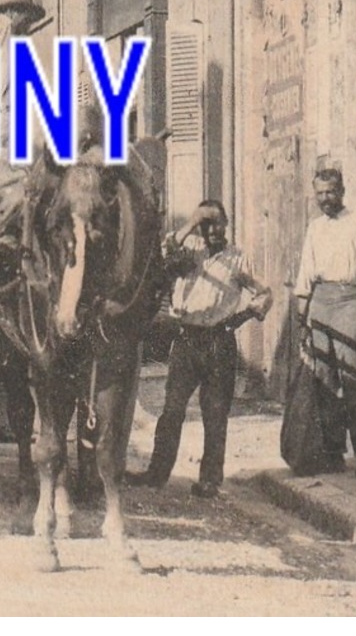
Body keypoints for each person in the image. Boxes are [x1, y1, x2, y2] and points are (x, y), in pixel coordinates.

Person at [136, 200, 272, 498]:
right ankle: (157, 474)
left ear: (227, 224)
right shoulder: (188, 250)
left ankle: (210, 479)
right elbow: (163, 252)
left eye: (219, 223)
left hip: (219, 341)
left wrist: (242, 317)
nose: (214, 230)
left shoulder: (238, 259)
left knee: (215, 413)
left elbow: (265, 293)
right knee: (172, 410)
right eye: (207, 224)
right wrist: (192, 220)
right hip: (186, 339)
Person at [294, 168, 356, 478]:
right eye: (320, 193)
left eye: (331, 192)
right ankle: (334, 452)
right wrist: (302, 318)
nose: (325, 199)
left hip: (349, 301)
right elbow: (306, 272)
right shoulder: (315, 228)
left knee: (352, 378)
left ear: (342, 191)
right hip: (321, 300)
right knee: (325, 380)